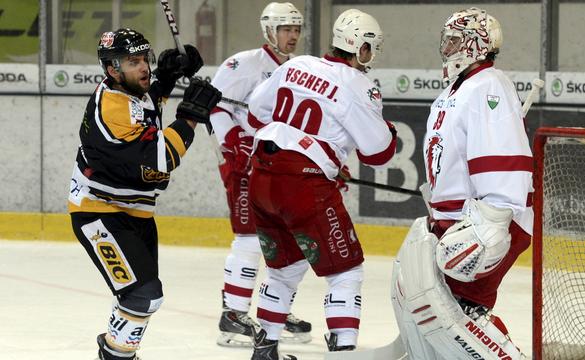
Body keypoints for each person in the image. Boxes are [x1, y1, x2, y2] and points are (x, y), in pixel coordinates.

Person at [245, 9, 397, 360]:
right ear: (360, 47)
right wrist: (382, 131)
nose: (371, 56)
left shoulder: (295, 65)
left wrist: (321, 148)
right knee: (346, 270)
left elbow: (255, 112)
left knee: (284, 268)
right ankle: (343, 351)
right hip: (303, 185)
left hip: (262, 179)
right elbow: (378, 153)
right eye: (370, 48)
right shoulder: (360, 85)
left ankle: (265, 348)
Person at [68, 28, 221, 360]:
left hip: (136, 212)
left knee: (138, 297)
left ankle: (116, 351)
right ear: (111, 69)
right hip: (100, 213)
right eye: (133, 62)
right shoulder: (110, 108)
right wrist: (190, 117)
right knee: (143, 296)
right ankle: (115, 355)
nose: (143, 68)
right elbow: (161, 160)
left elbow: (149, 102)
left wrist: (168, 75)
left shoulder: (132, 92)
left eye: (145, 60)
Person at [390, 8, 531, 359]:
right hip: (456, 222)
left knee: (462, 319)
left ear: (475, 44)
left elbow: (503, 157)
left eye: (455, 39)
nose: (447, 47)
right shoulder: (456, 90)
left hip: (486, 224)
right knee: (436, 315)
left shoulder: (488, 85)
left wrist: (493, 224)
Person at [208, 2, 311, 348]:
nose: (293, 35)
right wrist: (233, 140)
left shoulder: (300, 68)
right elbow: (216, 106)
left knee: (289, 240)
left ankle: (275, 310)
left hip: (282, 166)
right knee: (250, 238)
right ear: (269, 30)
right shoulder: (244, 64)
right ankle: (233, 314)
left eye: (296, 29)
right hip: (244, 164)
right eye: (286, 29)